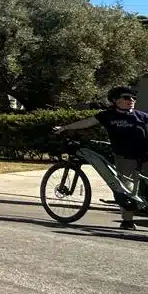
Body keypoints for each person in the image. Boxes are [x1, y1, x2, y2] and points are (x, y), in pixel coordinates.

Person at [55, 86, 148, 230]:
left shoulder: (142, 116)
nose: (131, 100)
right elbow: (87, 122)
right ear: (115, 101)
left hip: (144, 154)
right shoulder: (107, 116)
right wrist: (66, 127)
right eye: (126, 97)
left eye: (133, 98)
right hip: (125, 157)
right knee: (126, 189)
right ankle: (127, 221)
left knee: (136, 187)